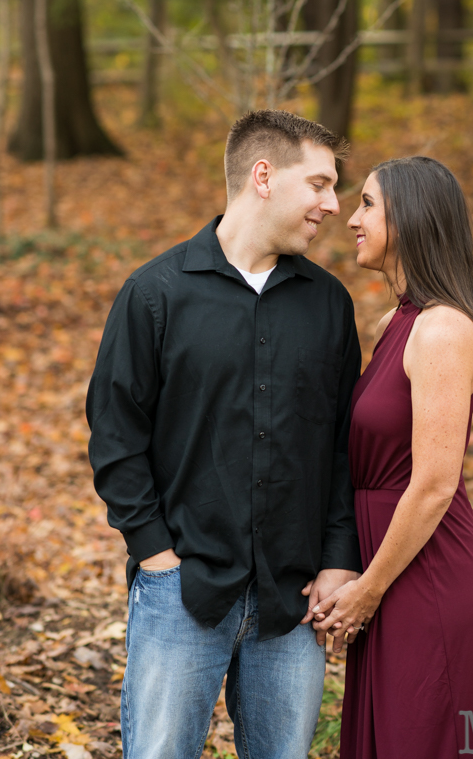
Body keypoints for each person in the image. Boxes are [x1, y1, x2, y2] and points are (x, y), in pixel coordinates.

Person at [86, 110, 363, 759]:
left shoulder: (328, 304)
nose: (333, 204)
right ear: (262, 176)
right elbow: (115, 434)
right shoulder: (154, 293)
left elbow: (342, 448)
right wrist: (155, 554)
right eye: (319, 184)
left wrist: (338, 554)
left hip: (291, 600)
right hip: (179, 591)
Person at [311, 156, 473, 759]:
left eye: (368, 203)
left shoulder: (444, 329)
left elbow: (433, 485)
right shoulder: (396, 320)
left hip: (430, 574)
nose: (351, 219)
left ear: (413, 217)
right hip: (389, 568)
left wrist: (368, 587)